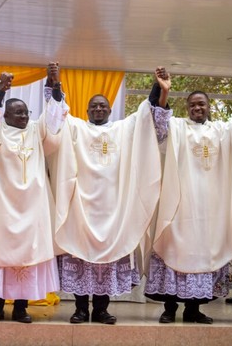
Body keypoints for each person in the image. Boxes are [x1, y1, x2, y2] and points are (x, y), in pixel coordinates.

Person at [145, 67, 232, 324]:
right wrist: (164, 91)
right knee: (174, 249)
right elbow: (159, 125)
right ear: (187, 108)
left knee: (206, 253)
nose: (198, 108)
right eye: (193, 105)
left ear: (209, 107)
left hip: (210, 208)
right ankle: (169, 308)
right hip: (181, 205)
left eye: (202, 104)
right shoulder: (177, 127)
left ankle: (193, 310)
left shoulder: (222, 131)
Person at [51, 64, 163, 324]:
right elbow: (58, 112)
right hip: (82, 205)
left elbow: (145, 113)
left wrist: (157, 86)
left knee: (108, 260)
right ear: (87, 111)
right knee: (81, 254)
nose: (98, 109)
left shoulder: (121, 129)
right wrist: (55, 85)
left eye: (103, 106)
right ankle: (80, 309)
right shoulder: (77, 127)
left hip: (114, 207)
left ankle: (101, 310)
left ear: (110, 109)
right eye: (94, 107)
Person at [0, 63, 66, 323]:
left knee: (28, 257)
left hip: (33, 206)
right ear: (5, 115)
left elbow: (55, 119)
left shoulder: (37, 132)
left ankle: (21, 308)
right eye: (18, 113)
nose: (24, 117)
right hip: (2, 204)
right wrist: (0, 92)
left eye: (26, 112)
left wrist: (55, 85)